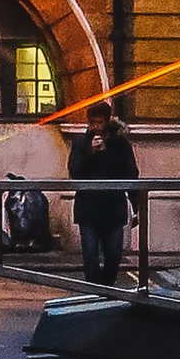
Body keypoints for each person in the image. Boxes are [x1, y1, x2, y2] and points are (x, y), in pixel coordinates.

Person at [65, 107, 139, 284]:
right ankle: (94, 290)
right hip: (88, 208)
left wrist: (135, 208)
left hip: (113, 207)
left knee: (113, 253)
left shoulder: (120, 143)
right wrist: (91, 153)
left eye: (99, 122)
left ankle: (107, 286)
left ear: (107, 122)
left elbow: (130, 173)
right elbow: (75, 172)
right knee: (90, 253)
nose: (95, 126)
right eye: (92, 122)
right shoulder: (81, 142)